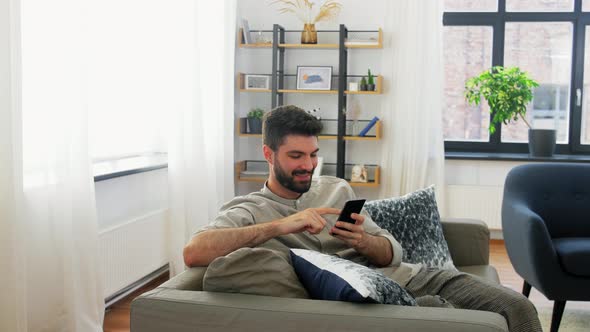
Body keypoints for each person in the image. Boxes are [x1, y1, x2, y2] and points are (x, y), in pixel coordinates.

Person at [183, 105, 542, 332]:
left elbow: (392, 253)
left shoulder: (336, 190)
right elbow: (194, 252)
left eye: (312, 154)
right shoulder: (250, 209)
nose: (307, 165)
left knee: (517, 307)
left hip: (412, 277)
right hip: (367, 298)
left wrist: (364, 241)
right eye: (295, 155)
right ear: (268, 154)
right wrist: (280, 226)